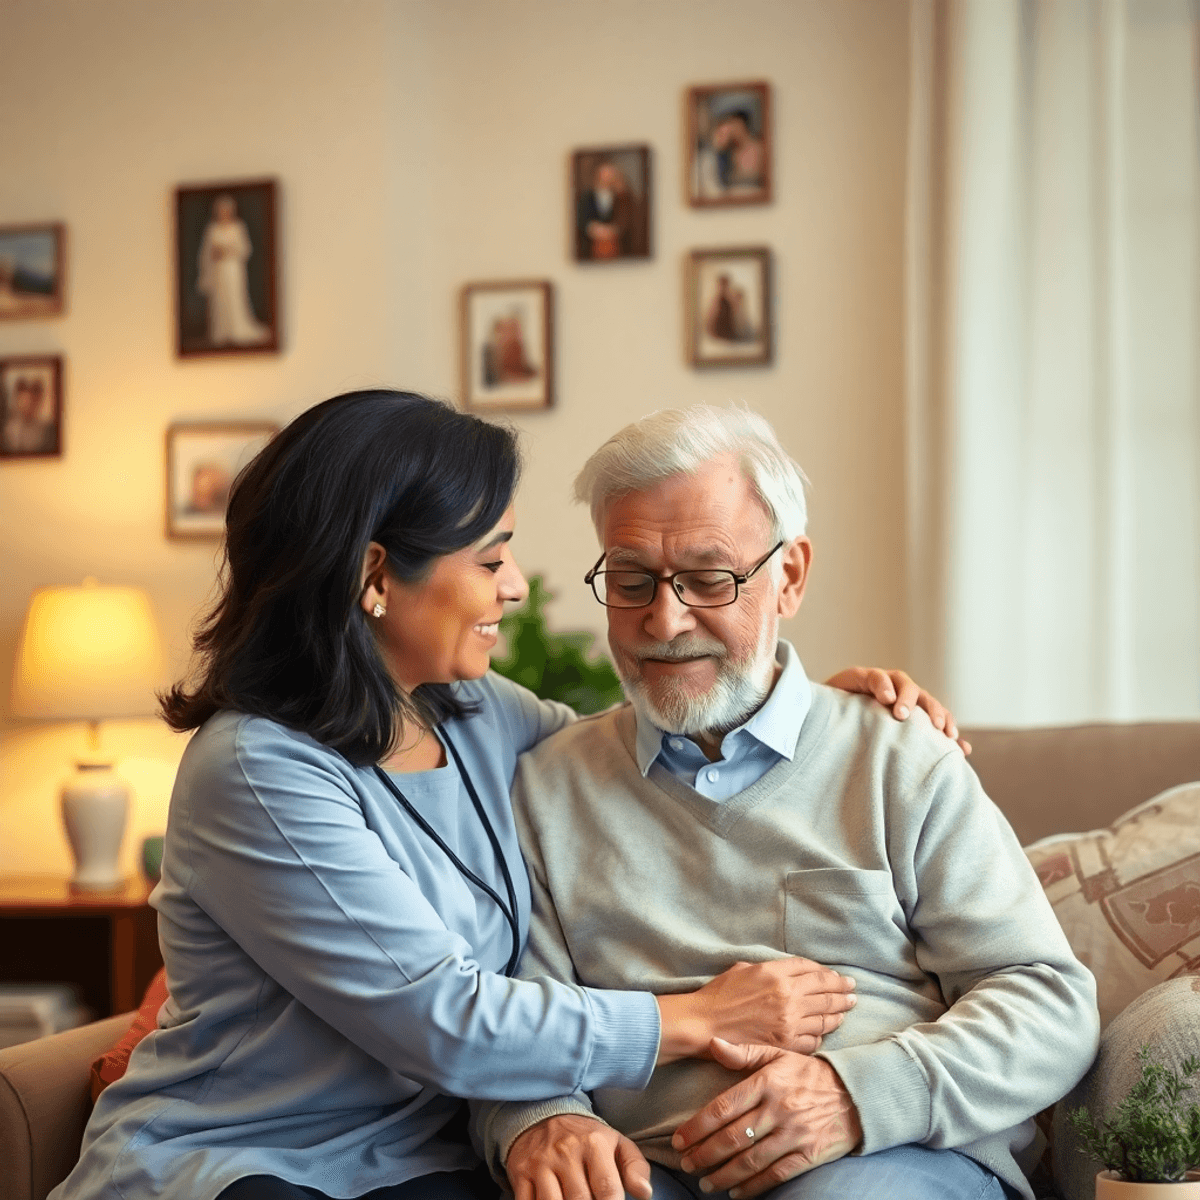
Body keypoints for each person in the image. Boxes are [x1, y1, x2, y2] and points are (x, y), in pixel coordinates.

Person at [49, 390, 954, 1200]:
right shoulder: (257, 769)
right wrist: (697, 1019)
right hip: (249, 1160)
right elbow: (443, 1021)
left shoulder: (476, 713)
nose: (515, 590)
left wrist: (810, 706)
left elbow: (651, 730)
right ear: (373, 577)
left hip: (420, 1160)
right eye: (490, 561)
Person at [477, 405, 1101, 1200]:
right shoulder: (546, 786)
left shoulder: (898, 758)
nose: (664, 622)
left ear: (791, 577)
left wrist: (856, 1095)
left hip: (878, 1162)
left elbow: (1049, 1001)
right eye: (631, 580)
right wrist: (539, 1118)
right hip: (642, 1172)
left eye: (709, 578)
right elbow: (501, 1017)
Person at [196, 193, 270, 347]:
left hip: (233, 268)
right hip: (218, 270)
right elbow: (206, 252)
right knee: (220, 299)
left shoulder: (238, 227)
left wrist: (227, 251)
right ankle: (222, 332)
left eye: (226, 210)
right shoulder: (212, 229)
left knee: (234, 297)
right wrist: (214, 255)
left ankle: (237, 329)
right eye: (221, 210)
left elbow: (245, 249)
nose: (224, 213)